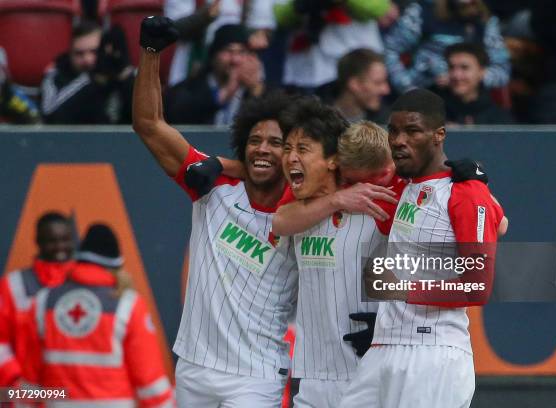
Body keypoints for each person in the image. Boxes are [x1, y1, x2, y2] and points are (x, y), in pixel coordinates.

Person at [133, 16, 303, 407]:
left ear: (293, 152)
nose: (262, 148)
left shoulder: (305, 207)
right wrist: (150, 53)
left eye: (275, 142)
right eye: (254, 140)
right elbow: (148, 124)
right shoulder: (213, 186)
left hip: (256, 375)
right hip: (194, 366)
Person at [338, 89, 505, 408]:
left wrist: (401, 289)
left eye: (412, 130)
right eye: (394, 131)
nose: (399, 140)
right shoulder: (404, 187)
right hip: (385, 347)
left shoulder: (465, 193)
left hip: (434, 351)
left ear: (438, 135)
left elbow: (477, 289)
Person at [276, 113, 400, 408]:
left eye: (303, 149)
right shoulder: (301, 204)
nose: (293, 158)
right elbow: (278, 222)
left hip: (367, 372)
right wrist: (336, 200)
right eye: (289, 149)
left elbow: (433, 264)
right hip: (312, 375)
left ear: (332, 161)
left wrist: (388, 328)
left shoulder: (386, 200)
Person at [23, 224, 174, 406]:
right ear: (116, 266)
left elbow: (29, 378)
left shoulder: (44, 301)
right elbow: (149, 381)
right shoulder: (128, 305)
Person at [0, 212, 74, 386]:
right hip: (25, 392)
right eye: (52, 241)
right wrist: (15, 378)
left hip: (74, 394)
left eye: (65, 239)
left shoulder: (84, 286)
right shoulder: (12, 286)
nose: (60, 247)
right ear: (38, 242)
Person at [384, 0, 510, 93]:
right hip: (423, 97)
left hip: (468, 103)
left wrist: (464, 78)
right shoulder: (422, 12)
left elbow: (502, 70)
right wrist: (406, 86)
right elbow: (390, 50)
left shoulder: (486, 21)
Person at [274, 0, 390, 93]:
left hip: (356, 64)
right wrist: (298, 5)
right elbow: (281, 17)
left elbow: (378, 8)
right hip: (308, 70)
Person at [163, 23, 267, 125]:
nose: (235, 60)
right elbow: (178, 117)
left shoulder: (253, 90)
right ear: (214, 56)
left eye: (241, 52)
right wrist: (223, 94)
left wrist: (256, 90)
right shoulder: (189, 88)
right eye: (228, 51)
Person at [41, 22, 135, 124]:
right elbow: (50, 116)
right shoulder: (55, 76)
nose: (87, 60)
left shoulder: (125, 74)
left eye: (94, 52)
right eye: (79, 54)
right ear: (69, 54)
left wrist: (126, 79)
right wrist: (92, 80)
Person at [433, 42, 514, 125]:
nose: (456, 75)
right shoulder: (432, 112)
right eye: (451, 67)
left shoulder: (498, 119)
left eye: (465, 68)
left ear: (481, 71)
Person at [333, 48, 391, 124]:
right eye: (378, 83)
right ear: (354, 84)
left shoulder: (387, 123)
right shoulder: (316, 119)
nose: (386, 90)